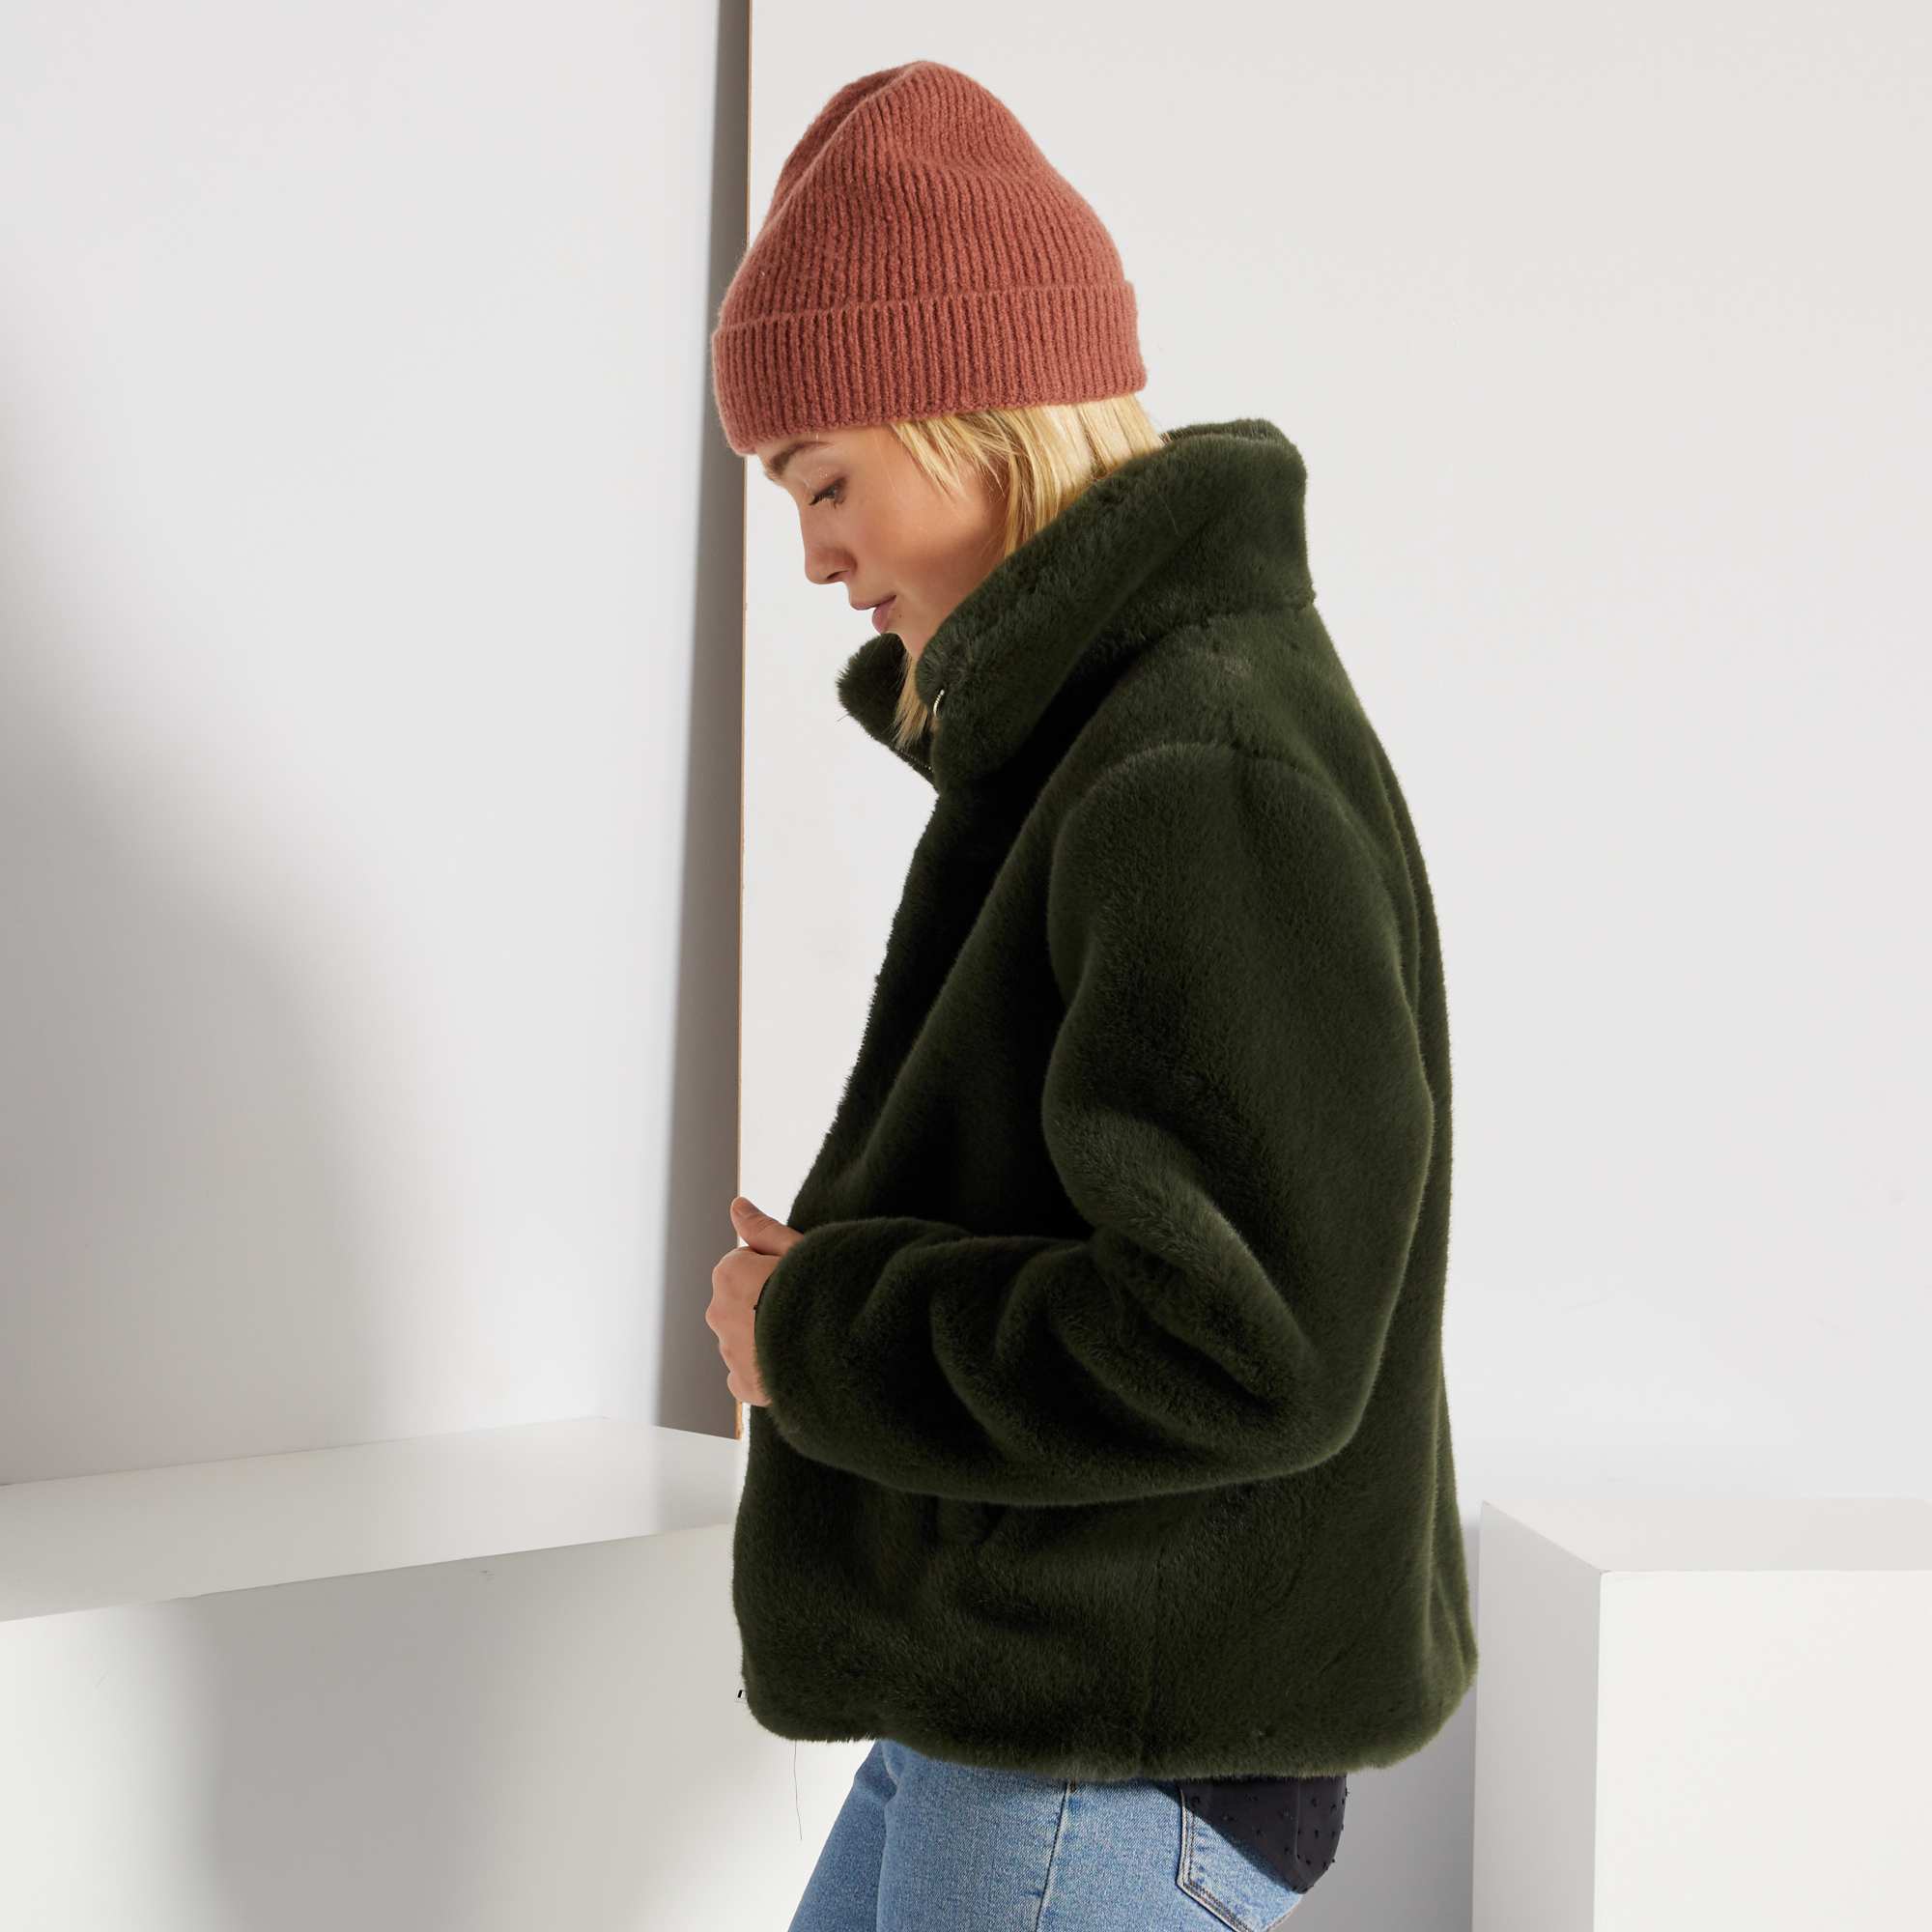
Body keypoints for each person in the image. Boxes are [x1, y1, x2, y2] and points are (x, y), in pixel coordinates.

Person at [703, 59, 1476, 1932]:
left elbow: (1245, 1341)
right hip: (1026, 1710)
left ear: (970, 418)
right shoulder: (1121, 740)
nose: (813, 554)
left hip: (1102, 1752)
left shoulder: (1192, 764)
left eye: (825, 479)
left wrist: (821, 1336)